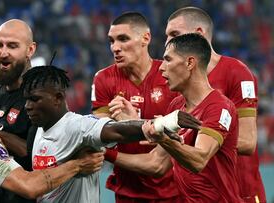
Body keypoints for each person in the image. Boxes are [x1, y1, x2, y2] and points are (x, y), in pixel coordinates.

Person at [22, 65, 200, 203]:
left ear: (58, 98)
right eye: (26, 99)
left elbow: (118, 130)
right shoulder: (38, 128)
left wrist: (163, 123)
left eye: (35, 99)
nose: (28, 106)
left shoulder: (77, 126)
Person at [111, 33, 242, 202]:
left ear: (189, 63)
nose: (161, 67)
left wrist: (164, 139)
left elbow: (199, 160)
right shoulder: (176, 106)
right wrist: (105, 153)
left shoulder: (219, 106)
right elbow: (156, 162)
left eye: (168, 59)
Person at [164, 7, 265, 203]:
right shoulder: (178, 83)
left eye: (174, 34)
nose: (168, 41)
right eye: (167, 35)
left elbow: (248, 140)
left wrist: (202, 138)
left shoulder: (238, 73)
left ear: (198, 34)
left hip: (241, 191)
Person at [91, 12, 179, 202]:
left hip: (174, 191)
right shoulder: (103, 79)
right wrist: (112, 124)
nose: (115, 47)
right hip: (127, 192)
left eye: (123, 39)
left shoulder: (170, 75)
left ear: (145, 38)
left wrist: (131, 124)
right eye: (111, 41)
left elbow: (180, 139)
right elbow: (100, 136)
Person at [0, 19, 37, 202]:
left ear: (30, 50)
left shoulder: (41, 96)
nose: (3, 53)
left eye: (12, 46)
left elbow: (34, 152)